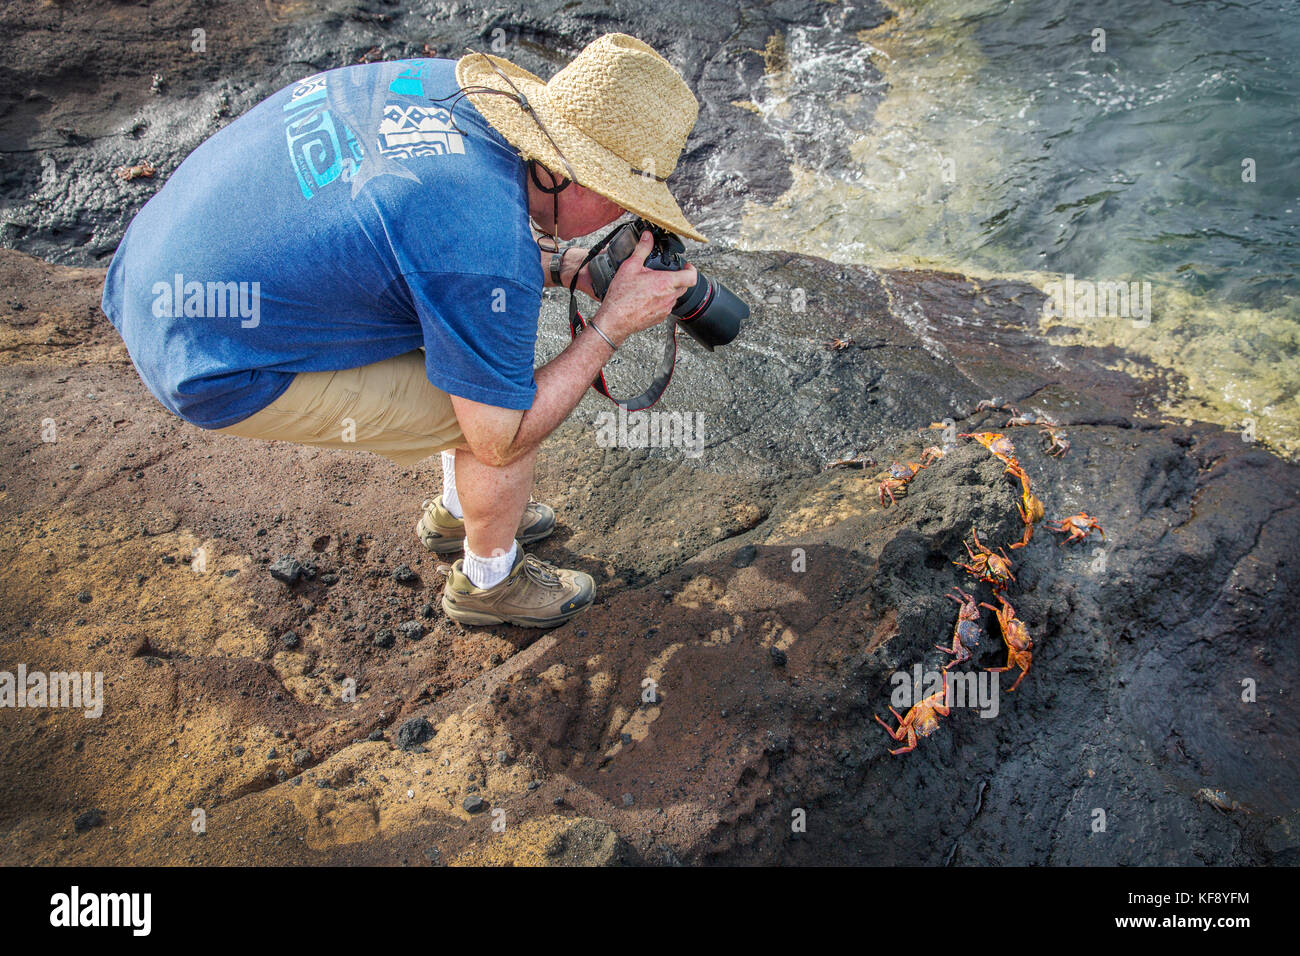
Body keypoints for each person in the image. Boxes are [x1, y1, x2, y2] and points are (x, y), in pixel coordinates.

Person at [101, 33, 706, 628]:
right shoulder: (484, 241)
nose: (627, 216)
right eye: (624, 200)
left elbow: (418, 230)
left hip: (150, 265)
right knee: (502, 421)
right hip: (207, 359)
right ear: (577, 176)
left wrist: (563, 269)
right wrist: (612, 323)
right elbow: (503, 434)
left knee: (460, 344)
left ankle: (455, 513)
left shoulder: (449, 87)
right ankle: (489, 584)